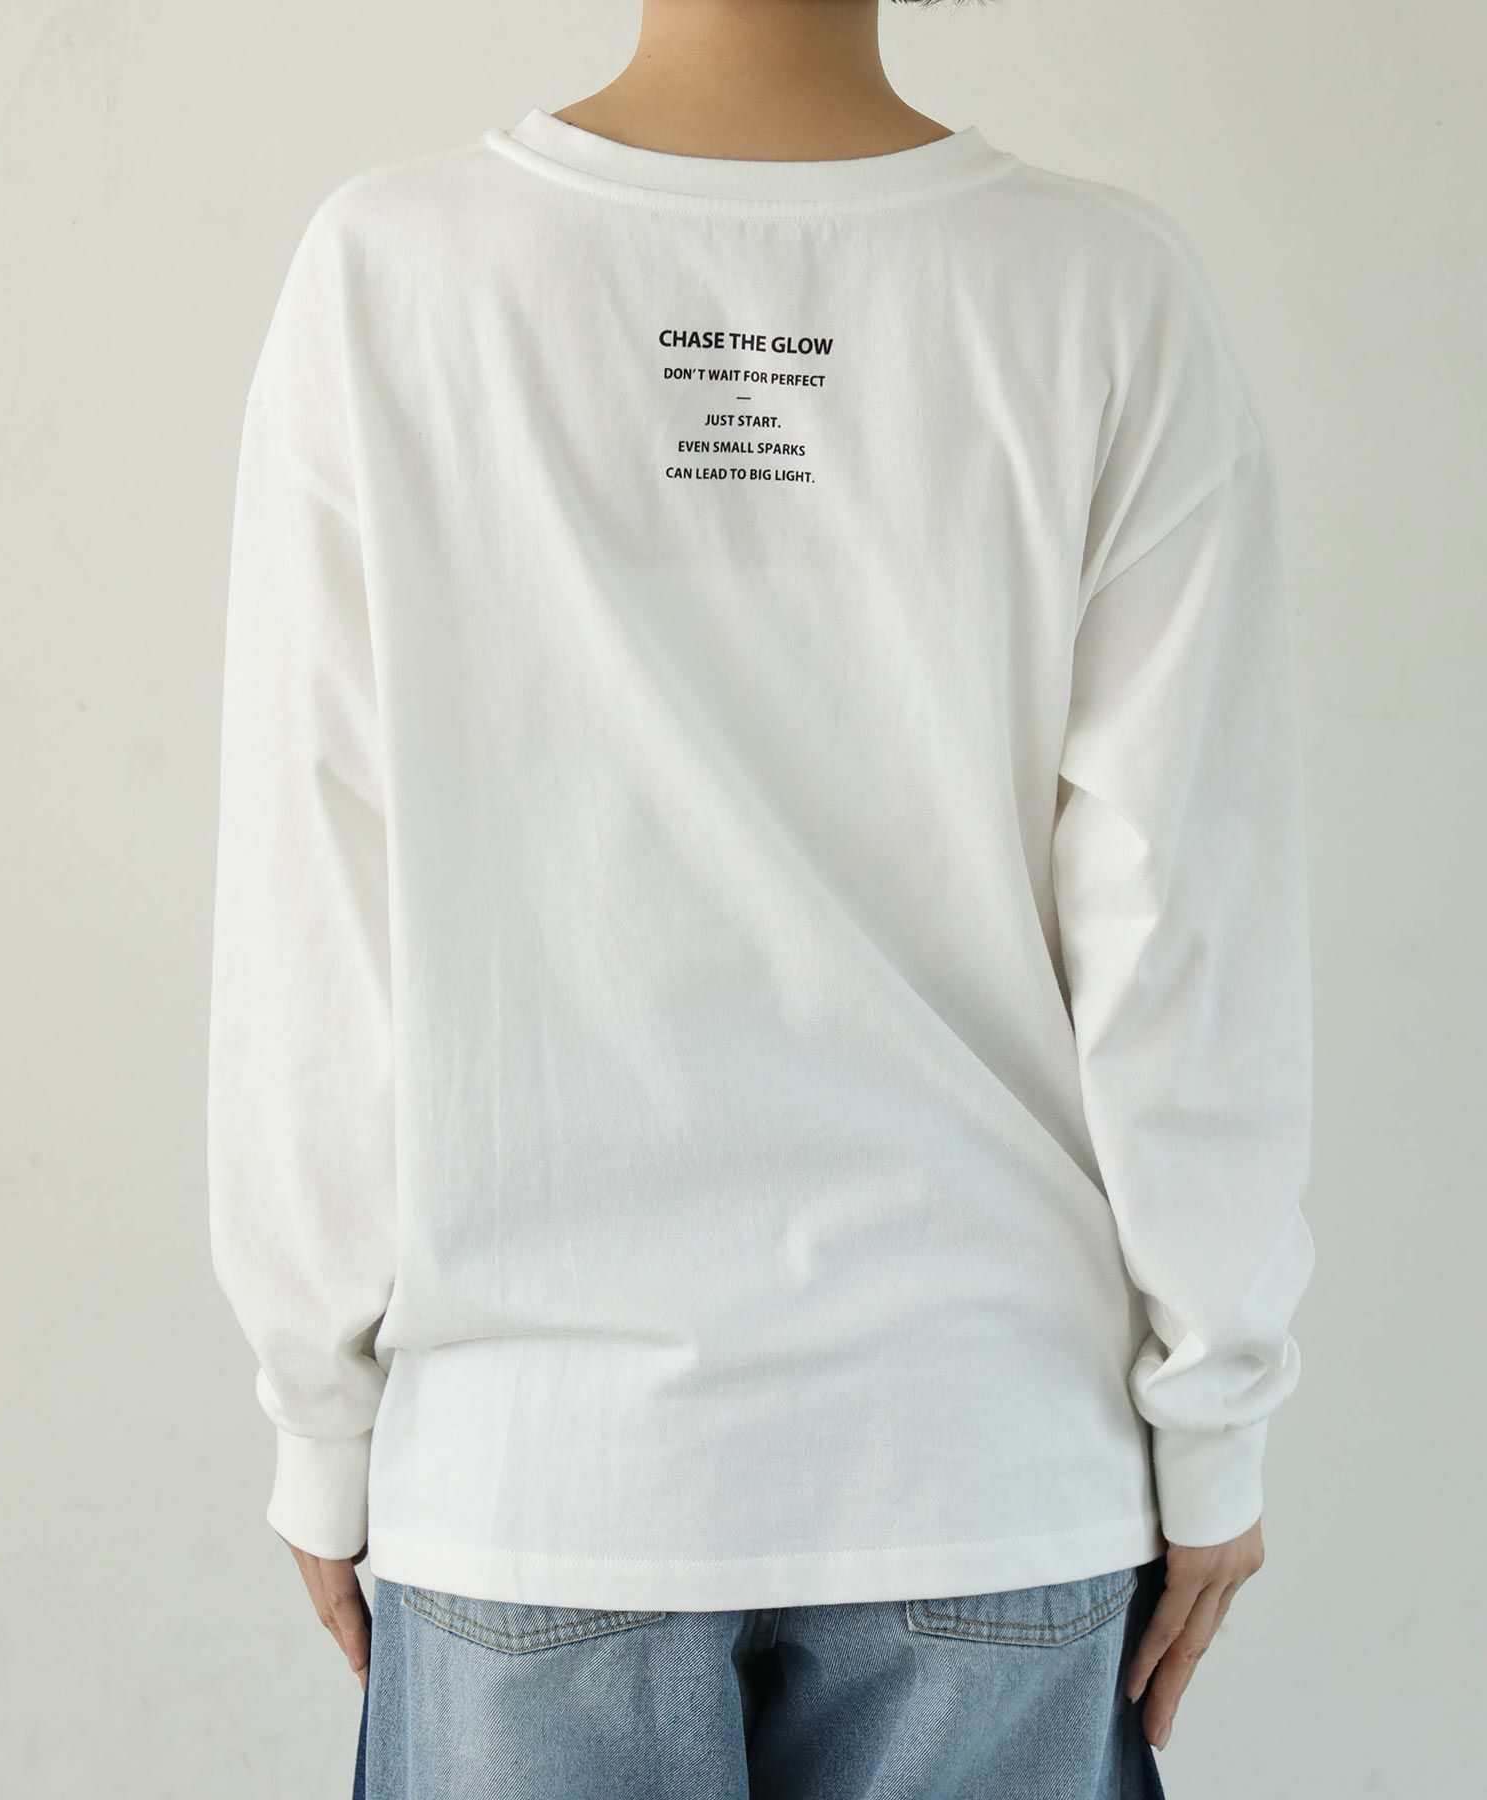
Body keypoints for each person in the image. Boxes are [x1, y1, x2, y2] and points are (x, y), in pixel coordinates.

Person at [206, 1, 1315, 1794]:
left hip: (539, 1467)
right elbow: (1182, 918)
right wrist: (1216, 1416)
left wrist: (319, 1420)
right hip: (983, 1453)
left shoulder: (395, 272)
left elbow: (316, 906)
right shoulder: (1101, 291)